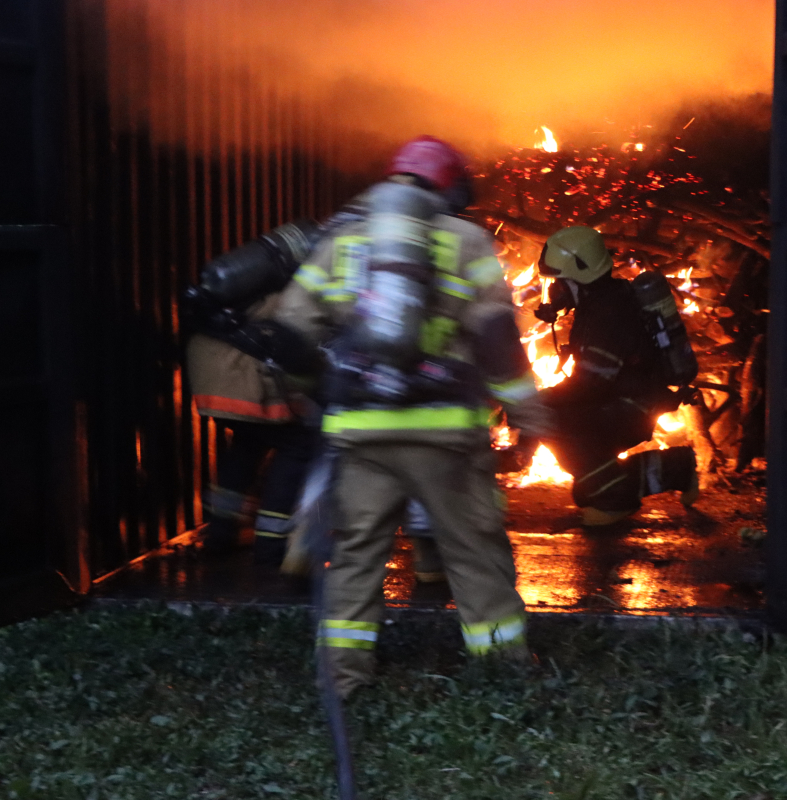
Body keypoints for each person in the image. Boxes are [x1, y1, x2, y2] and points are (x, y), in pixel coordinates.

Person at [275, 135, 550, 698]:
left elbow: (292, 328)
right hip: (444, 435)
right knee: (473, 551)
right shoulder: (467, 240)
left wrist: (311, 394)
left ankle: (343, 679)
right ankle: (502, 672)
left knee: (355, 556)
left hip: (359, 435)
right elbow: (497, 339)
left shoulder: (340, 242)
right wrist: (529, 414)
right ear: (449, 186)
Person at [519, 225, 700, 527]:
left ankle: (616, 501)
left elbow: (591, 382)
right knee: (588, 484)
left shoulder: (607, 313)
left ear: (580, 275)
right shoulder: (602, 301)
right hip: (628, 397)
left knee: (555, 424)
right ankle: (677, 468)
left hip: (633, 404)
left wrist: (538, 401)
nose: (555, 289)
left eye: (560, 282)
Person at [186, 277, 318, 563]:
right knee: (298, 445)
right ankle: (271, 545)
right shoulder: (292, 289)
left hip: (211, 374)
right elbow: (303, 334)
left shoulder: (248, 285)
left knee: (248, 444)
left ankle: (219, 535)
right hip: (238, 374)